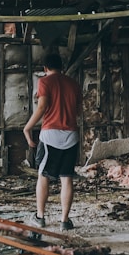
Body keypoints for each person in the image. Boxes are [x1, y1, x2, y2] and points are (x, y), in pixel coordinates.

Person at [23, 53, 82, 231]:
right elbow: (78, 111)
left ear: (45, 68)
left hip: (51, 135)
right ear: (62, 67)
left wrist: (27, 128)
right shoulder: (74, 84)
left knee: (43, 176)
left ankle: (40, 216)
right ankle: (64, 220)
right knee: (67, 178)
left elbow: (42, 107)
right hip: (71, 135)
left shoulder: (44, 82)